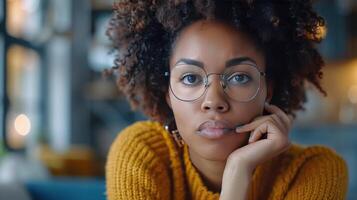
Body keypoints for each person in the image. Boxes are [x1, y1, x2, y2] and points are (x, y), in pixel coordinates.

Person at [105, 0, 349, 199]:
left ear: (267, 89)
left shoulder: (314, 170)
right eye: (190, 78)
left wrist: (239, 169)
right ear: (168, 93)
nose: (213, 101)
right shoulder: (142, 152)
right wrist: (236, 178)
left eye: (239, 77)